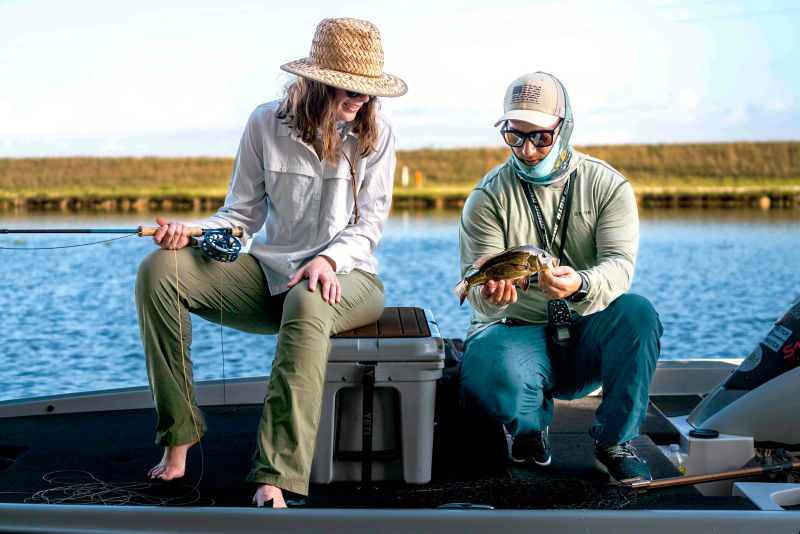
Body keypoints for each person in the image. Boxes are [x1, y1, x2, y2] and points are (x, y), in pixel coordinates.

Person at [134, 18, 406, 508]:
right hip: (270, 274)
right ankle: (180, 432)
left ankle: (275, 476)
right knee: (159, 271)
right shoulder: (264, 123)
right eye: (352, 88)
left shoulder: (377, 133)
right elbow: (240, 216)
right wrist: (192, 231)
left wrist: (327, 259)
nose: (363, 99)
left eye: (369, 91)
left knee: (308, 295)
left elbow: (369, 227)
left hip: (351, 278)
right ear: (318, 82)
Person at [457, 72, 663, 481]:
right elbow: (476, 286)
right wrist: (491, 296)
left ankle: (615, 441)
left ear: (564, 127)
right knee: (484, 373)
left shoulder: (607, 185)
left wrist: (582, 284)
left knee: (638, 314)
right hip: (515, 332)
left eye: (541, 137)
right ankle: (529, 430)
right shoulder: (487, 196)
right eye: (515, 136)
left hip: (586, 330)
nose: (527, 150)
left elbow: (620, 266)